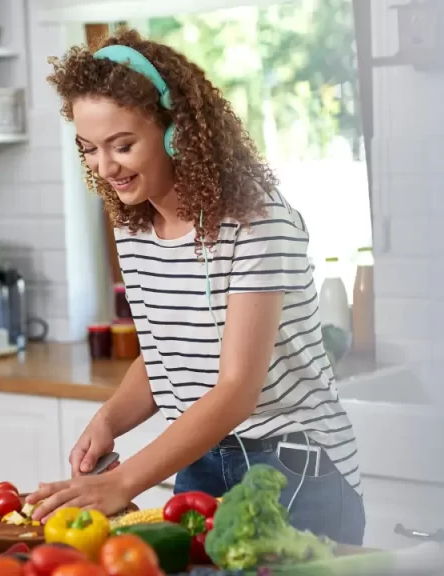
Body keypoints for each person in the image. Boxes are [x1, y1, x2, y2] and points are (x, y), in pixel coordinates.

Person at [25, 28, 365, 546]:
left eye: (122, 145)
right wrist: (111, 418)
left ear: (175, 133)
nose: (104, 167)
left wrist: (123, 482)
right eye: (89, 148)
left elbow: (235, 391)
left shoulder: (257, 223)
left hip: (294, 465)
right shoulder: (134, 229)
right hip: (200, 456)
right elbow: (168, 355)